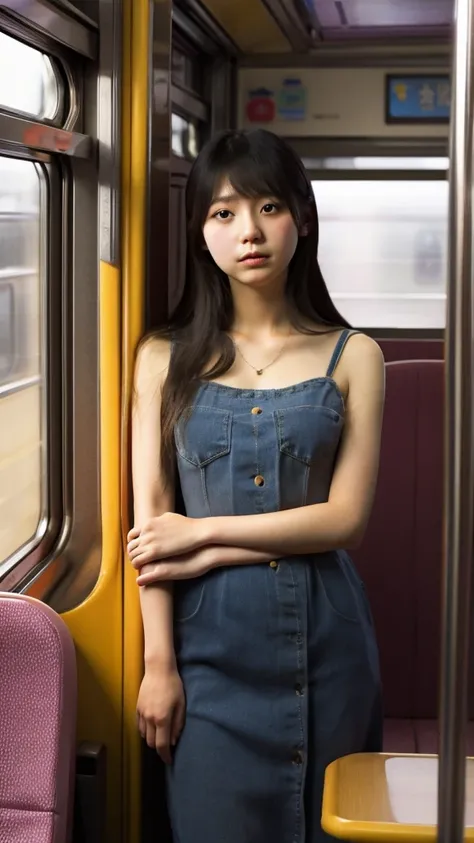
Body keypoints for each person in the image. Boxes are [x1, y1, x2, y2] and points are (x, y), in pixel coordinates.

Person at [127, 128, 385, 843]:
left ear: (301, 218)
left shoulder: (355, 355)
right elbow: (152, 517)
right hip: (206, 656)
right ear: (201, 232)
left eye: (269, 207)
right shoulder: (161, 356)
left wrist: (206, 538)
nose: (249, 231)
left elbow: (344, 521)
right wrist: (158, 665)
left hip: (331, 645)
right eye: (223, 213)